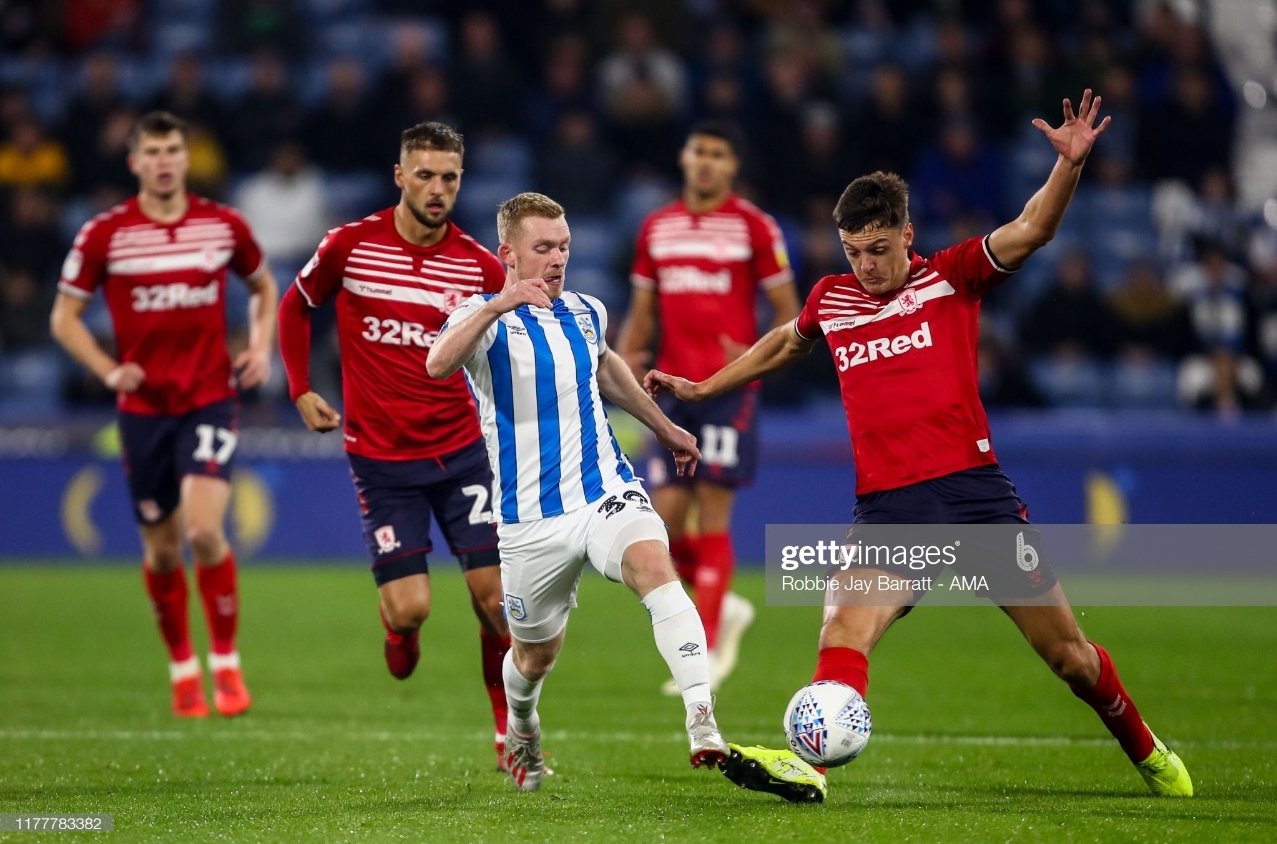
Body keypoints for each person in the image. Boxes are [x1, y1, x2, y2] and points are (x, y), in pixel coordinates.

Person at [647, 90, 1194, 800]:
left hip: (975, 500)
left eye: (878, 249)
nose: (866, 265)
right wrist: (702, 389)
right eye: (853, 252)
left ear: (907, 236)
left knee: (1068, 658)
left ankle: (1146, 750)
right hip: (889, 508)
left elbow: (1030, 230)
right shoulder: (832, 298)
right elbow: (786, 341)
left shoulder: (953, 276)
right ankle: (808, 767)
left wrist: (1067, 168)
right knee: (843, 625)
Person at [427, 192, 730, 792]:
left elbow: (606, 365)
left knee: (653, 564)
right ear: (507, 254)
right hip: (528, 519)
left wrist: (667, 429)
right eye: (543, 248)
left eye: (564, 246)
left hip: (603, 491)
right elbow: (438, 363)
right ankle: (522, 726)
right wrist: (500, 304)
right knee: (534, 655)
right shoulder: (483, 318)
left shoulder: (586, 310)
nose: (558, 258)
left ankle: (702, 715)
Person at [276, 122, 517, 770]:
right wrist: (300, 389)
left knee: (497, 601)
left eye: (450, 178)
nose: (438, 189)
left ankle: (508, 732)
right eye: (426, 175)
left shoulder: (479, 267)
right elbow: (294, 307)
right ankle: (397, 630)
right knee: (412, 609)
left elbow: (514, 354)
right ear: (399, 176)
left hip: (462, 451)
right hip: (381, 461)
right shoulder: (350, 246)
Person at [50, 111, 278, 718]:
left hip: (208, 395)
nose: (164, 160)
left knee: (204, 532)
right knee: (161, 550)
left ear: (186, 156)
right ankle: (182, 666)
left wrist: (258, 348)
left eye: (173, 148)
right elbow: (63, 318)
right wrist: (107, 370)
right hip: (143, 406)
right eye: (152, 151)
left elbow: (263, 287)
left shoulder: (222, 225)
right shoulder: (106, 234)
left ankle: (225, 665)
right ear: (135, 162)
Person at [617, 121, 800, 695]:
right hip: (670, 390)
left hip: (727, 391)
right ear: (684, 156)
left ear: (732, 167)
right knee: (662, 527)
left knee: (714, 514)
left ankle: (713, 646)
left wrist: (750, 359)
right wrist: (622, 365)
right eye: (699, 151)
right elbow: (643, 313)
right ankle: (728, 604)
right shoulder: (658, 226)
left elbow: (789, 314)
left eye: (718, 155)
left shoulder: (754, 226)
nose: (706, 162)